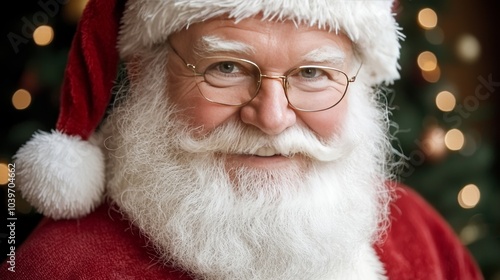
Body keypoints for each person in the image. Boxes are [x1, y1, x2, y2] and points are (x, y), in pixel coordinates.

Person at [1, 0, 483, 279]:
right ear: (145, 71)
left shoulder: (421, 236)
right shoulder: (60, 267)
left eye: (313, 73)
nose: (272, 118)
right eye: (226, 67)